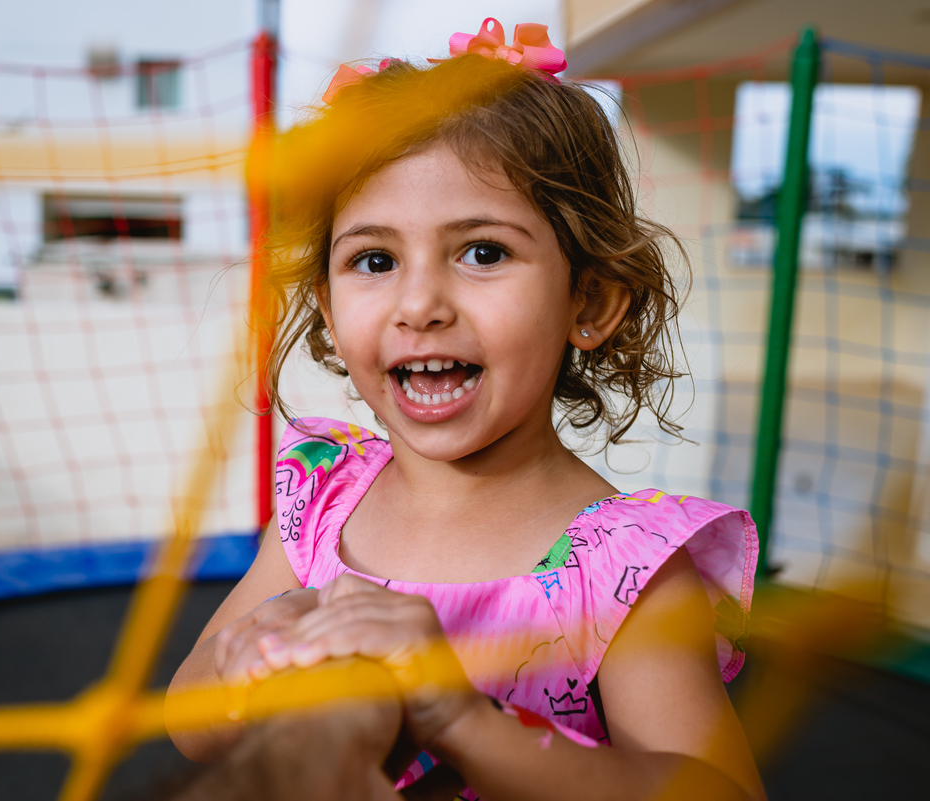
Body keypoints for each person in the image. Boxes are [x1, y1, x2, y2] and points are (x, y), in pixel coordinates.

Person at [168, 18, 765, 801]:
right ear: (328, 307)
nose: (419, 304)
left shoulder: (623, 569)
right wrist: (241, 667)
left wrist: (460, 716)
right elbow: (186, 717)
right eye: (374, 260)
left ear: (589, 300)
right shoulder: (324, 498)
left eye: (483, 252)